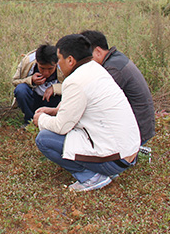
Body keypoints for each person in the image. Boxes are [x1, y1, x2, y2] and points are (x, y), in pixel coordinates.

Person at [33, 34, 140, 192]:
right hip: (128, 152)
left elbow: (61, 127)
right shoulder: (96, 69)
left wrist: (41, 119)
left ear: (70, 60)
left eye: (59, 58)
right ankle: (101, 170)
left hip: (114, 158)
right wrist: (55, 110)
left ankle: (91, 177)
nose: (58, 64)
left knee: (44, 139)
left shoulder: (75, 81)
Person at [79, 29, 156, 147]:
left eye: (85, 57)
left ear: (98, 51)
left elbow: (95, 102)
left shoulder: (113, 70)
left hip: (136, 133)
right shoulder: (116, 59)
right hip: (140, 127)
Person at [11, 44, 62, 125]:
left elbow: (74, 86)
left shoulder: (63, 63)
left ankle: (56, 120)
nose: (46, 73)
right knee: (21, 89)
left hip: (54, 102)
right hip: (34, 99)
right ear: (37, 62)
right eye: (42, 68)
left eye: (50, 69)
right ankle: (29, 120)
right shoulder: (28, 61)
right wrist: (30, 80)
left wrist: (55, 88)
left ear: (56, 64)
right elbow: (15, 81)